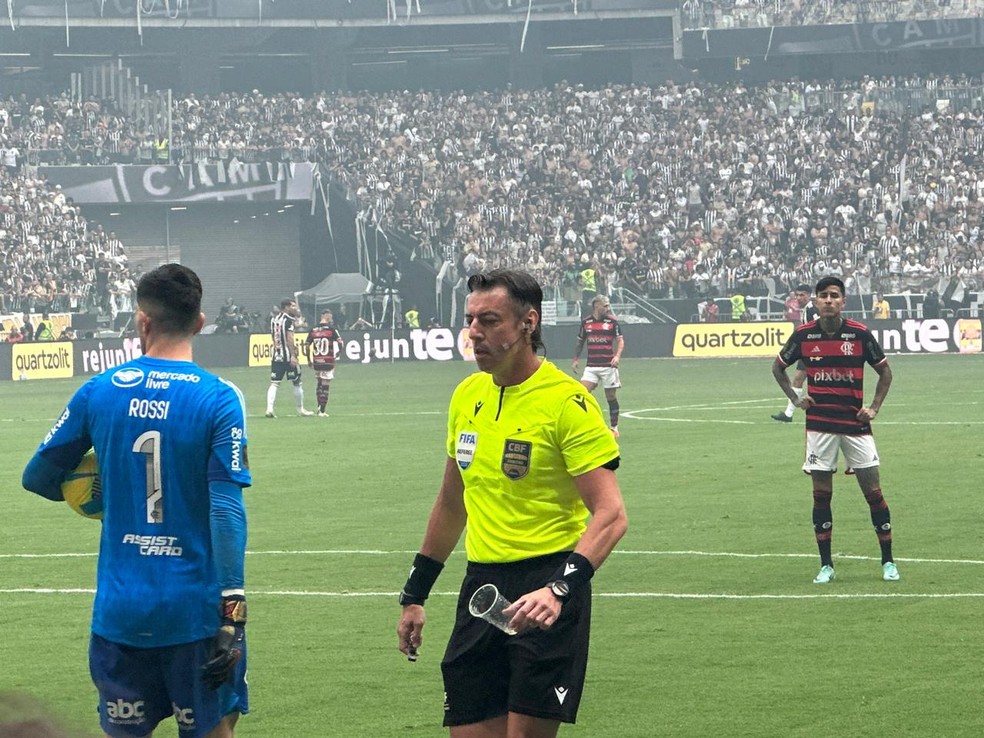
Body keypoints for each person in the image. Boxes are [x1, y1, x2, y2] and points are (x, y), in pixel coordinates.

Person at [21, 263, 252, 737]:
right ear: (200, 322)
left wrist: (110, 495)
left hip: (121, 611)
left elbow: (37, 477)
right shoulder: (220, 398)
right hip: (193, 611)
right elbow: (226, 507)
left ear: (142, 321)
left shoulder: (100, 390)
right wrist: (233, 609)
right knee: (214, 728)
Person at [396, 268, 628, 738]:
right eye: (470, 320)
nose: (474, 332)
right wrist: (415, 595)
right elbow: (452, 501)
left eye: (489, 320)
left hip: (546, 587)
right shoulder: (467, 395)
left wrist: (558, 590)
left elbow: (612, 514)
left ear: (528, 323)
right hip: (481, 589)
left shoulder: (567, 402)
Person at [772, 276, 898, 585]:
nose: (828, 300)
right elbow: (778, 368)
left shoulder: (859, 334)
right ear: (815, 301)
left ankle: (888, 562)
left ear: (843, 301)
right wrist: (795, 399)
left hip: (856, 425)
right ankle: (826, 565)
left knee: (874, 494)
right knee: (821, 496)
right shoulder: (804, 335)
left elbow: (885, 372)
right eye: (823, 296)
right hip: (820, 427)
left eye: (834, 295)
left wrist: (874, 407)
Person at [572, 294, 625, 438]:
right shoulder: (586, 322)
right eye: (605, 305)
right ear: (597, 306)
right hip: (592, 366)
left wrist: (617, 356)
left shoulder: (612, 321)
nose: (608, 308)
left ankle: (614, 428)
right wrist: (576, 359)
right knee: (580, 394)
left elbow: (620, 341)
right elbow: (580, 342)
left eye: (608, 305)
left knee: (611, 397)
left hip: (608, 366)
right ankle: (586, 424)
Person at [771, 284, 819, 423]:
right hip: (808, 351)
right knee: (798, 380)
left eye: (802, 295)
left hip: (814, 351)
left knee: (814, 381)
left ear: (809, 295)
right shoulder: (806, 309)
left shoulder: (812, 310)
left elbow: (818, 329)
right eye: (797, 295)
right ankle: (788, 414)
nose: (798, 298)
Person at [265, 298, 314, 417]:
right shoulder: (288, 321)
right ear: (286, 307)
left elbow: (273, 336)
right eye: (293, 306)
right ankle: (301, 409)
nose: (295, 308)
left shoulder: (274, 319)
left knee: (275, 383)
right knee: (297, 382)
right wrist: (293, 355)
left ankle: (269, 409)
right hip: (288, 356)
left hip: (277, 355)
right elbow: (290, 339)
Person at [303, 309, 344, 417]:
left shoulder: (313, 330)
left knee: (319, 383)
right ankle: (322, 410)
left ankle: (318, 406)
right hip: (328, 360)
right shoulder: (332, 329)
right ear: (327, 316)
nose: (331, 318)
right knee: (325, 385)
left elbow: (306, 346)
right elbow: (340, 342)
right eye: (330, 316)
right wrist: (339, 352)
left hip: (317, 361)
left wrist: (308, 359)